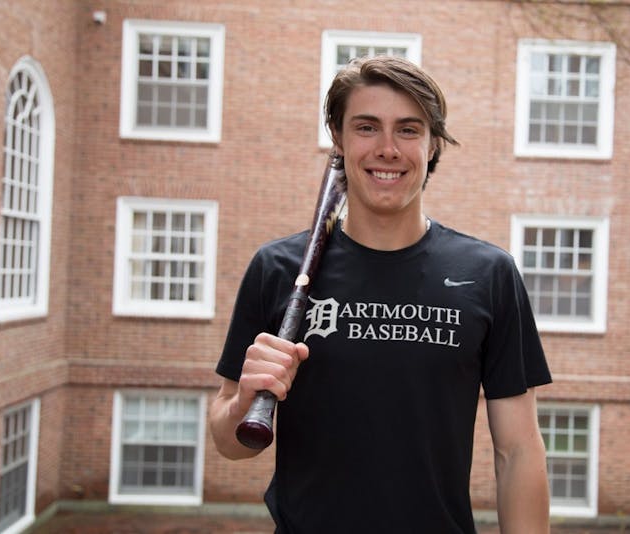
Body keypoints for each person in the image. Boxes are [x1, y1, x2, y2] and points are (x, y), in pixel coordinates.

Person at [210, 55, 552, 533]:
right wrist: (246, 399)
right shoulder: (278, 269)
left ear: (433, 144)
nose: (387, 149)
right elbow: (230, 443)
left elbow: (517, 451)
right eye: (367, 127)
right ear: (338, 137)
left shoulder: (488, 275)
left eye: (408, 130)